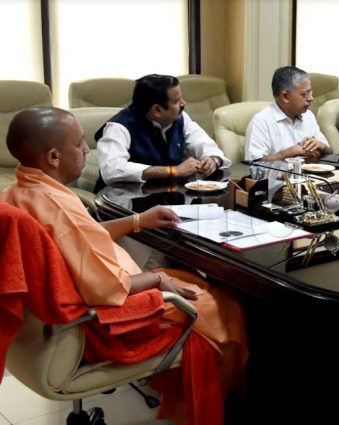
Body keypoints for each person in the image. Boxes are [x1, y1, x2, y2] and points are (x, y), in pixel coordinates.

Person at [2, 107, 247, 425]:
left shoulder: (20, 191)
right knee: (222, 304)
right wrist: (157, 283)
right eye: (79, 144)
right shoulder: (57, 206)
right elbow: (105, 287)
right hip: (102, 322)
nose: (87, 149)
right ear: (53, 157)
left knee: (191, 280)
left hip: (69, 310)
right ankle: (215, 412)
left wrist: (137, 220)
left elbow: (78, 241)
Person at [94, 74, 230, 192]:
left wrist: (213, 160)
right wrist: (173, 171)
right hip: (126, 206)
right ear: (157, 110)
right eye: (177, 101)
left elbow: (206, 145)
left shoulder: (180, 118)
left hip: (169, 200)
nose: (184, 103)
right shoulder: (119, 127)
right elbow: (112, 170)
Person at [245, 66, 332, 163]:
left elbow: (330, 153)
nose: (311, 98)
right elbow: (253, 164)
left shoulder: (308, 116)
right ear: (285, 96)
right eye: (305, 94)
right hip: (278, 178)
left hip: (310, 176)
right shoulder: (261, 121)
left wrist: (321, 146)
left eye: (310, 92)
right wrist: (290, 152)